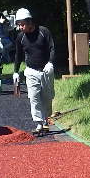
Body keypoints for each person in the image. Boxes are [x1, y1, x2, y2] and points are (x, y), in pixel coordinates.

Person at [11, 7, 55, 135]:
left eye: (22, 24)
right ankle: (39, 124)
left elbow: (52, 48)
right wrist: (15, 71)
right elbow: (18, 55)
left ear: (30, 22)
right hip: (30, 71)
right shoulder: (20, 37)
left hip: (46, 70)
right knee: (34, 98)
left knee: (47, 97)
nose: (20, 27)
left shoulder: (43, 32)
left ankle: (46, 120)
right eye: (19, 25)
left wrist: (50, 63)